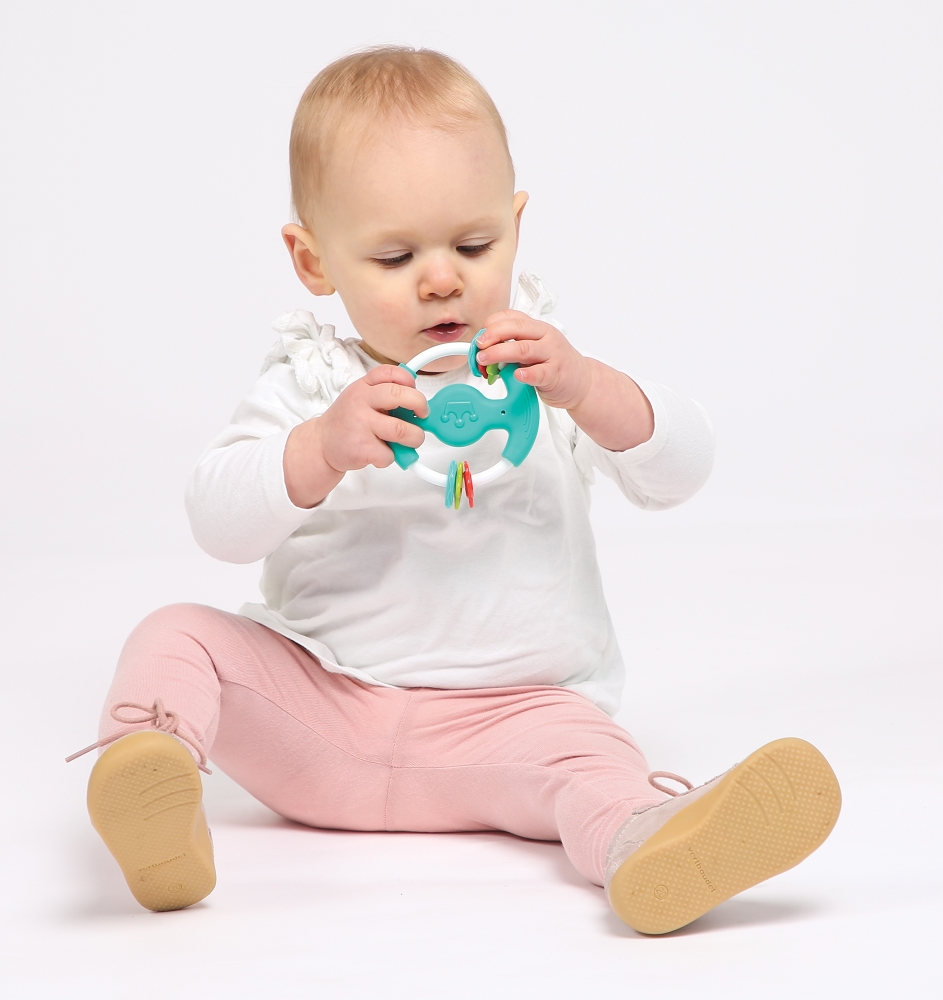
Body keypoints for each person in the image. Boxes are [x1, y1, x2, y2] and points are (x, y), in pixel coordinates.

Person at [71, 46, 840, 935]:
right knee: (177, 634)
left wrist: (591, 389)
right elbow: (217, 520)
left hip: (517, 725)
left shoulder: (544, 378)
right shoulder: (313, 385)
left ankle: (646, 844)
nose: (443, 278)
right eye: (395, 255)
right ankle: (152, 776)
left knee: (595, 759)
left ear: (516, 224)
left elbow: (683, 470)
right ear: (313, 261)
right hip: (320, 715)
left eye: (475, 245)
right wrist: (318, 450)